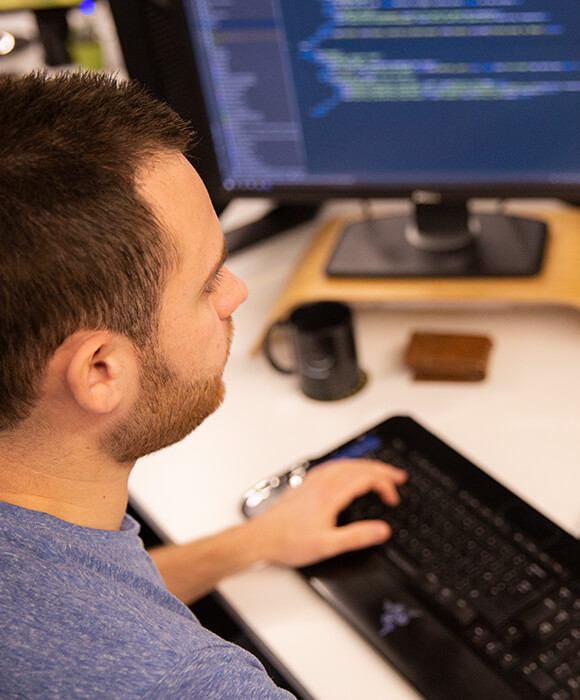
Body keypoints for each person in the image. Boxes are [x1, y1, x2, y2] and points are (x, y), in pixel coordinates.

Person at [0, 71, 407, 698]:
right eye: (209, 281)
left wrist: (258, 541)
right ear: (100, 370)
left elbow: (66, 608)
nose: (237, 292)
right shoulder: (180, 682)